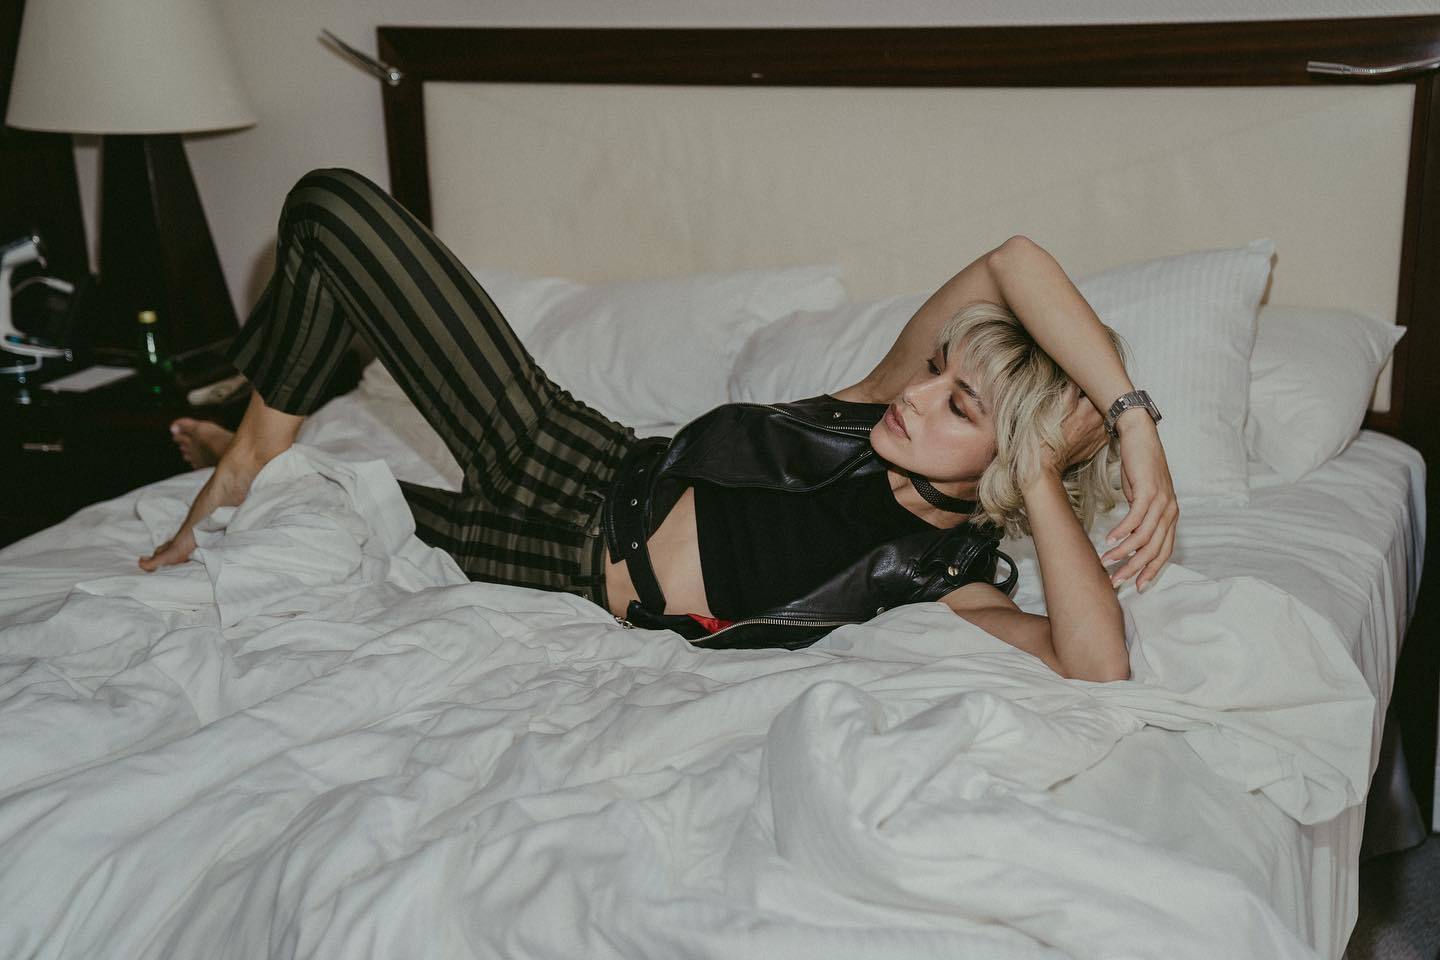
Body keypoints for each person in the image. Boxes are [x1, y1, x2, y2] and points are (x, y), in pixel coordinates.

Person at [143, 169, 1177, 683]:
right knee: (332, 209)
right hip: (568, 458)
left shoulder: (946, 580)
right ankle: (249, 450)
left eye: (957, 404)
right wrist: (1134, 422)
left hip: (549, 570)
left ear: (1012, 462)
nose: (917, 392)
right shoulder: (872, 405)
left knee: (318, 505)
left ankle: (263, 465)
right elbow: (1012, 260)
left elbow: (1096, 668)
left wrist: (1038, 475)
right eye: (938, 369)